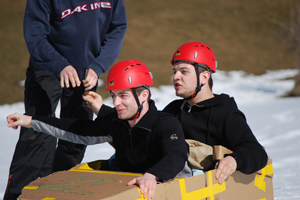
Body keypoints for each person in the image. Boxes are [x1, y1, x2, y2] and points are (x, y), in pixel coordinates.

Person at [6, 59, 191, 200]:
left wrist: (152, 175)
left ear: (143, 95)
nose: (116, 102)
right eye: (113, 96)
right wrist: (29, 120)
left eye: (123, 95)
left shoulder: (165, 123)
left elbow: (176, 154)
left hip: (166, 187)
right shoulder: (117, 122)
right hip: (126, 187)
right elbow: (77, 129)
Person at [4, 0, 127, 199]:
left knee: (77, 133)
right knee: (38, 132)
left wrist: (99, 65)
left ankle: (59, 192)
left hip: (87, 69)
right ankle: (19, 195)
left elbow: (118, 26)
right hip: (47, 65)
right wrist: (59, 64)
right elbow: (35, 35)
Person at [163, 41, 268, 184]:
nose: (176, 77)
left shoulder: (225, 114)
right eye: (175, 71)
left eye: (184, 71)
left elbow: (256, 152)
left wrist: (233, 160)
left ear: (204, 77)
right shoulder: (173, 110)